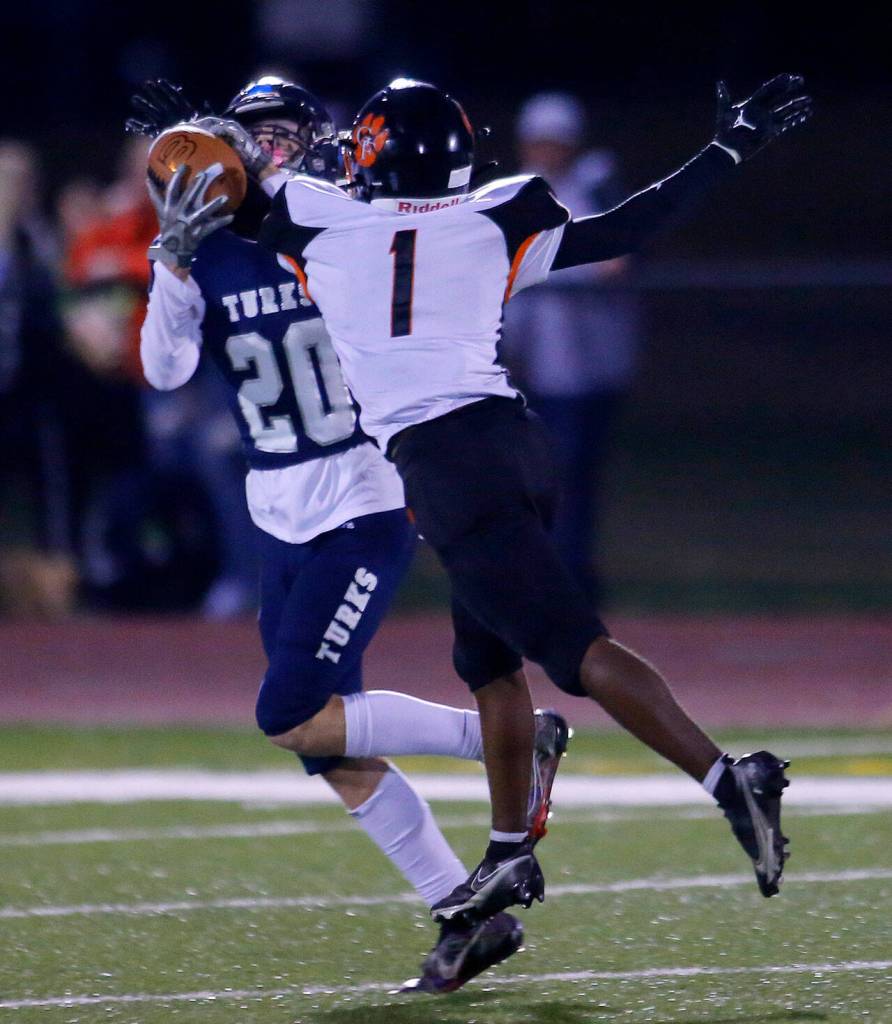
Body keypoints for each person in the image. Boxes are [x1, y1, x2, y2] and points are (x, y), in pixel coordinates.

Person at [200, 72, 811, 927]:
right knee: (486, 661)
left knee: (573, 649)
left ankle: (727, 778)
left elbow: (233, 192)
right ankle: (508, 850)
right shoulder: (499, 212)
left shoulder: (315, 222)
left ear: (372, 157)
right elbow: (629, 226)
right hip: (515, 442)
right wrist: (730, 147)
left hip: (447, 465)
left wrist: (193, 134)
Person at [134, 75, 569, 993]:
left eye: (281, 134)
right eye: (252, 136)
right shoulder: (213, 248)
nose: (266, 150)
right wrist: (169, 263)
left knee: (288, 714)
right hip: (277, 505)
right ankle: (466, 918)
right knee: (326, 746)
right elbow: (164, 371)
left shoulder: (343, 225)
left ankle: (508, 739)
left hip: (363, 493)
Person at [501, 92, 641, 600]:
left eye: (555, 142)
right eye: (538, 141)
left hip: (587, 368)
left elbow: (616, 264)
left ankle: (571, 584)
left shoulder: (591, 189)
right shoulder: (513, 196)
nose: (545, 151)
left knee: (574, 479)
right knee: (528, 483)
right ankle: (543, 583)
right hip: (525, 369)